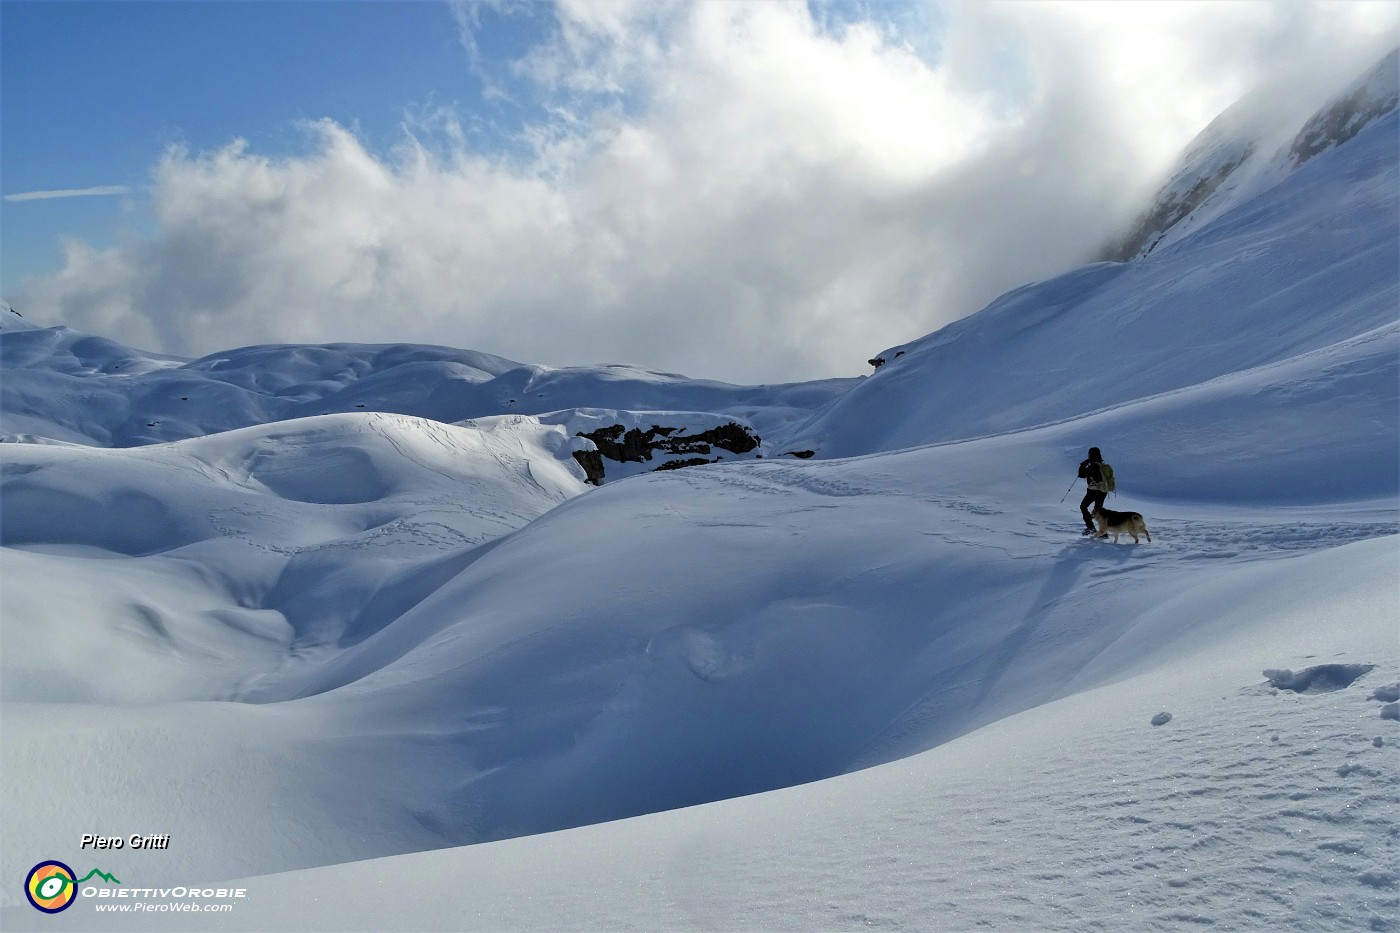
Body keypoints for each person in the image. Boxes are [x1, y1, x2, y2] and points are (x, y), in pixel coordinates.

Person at [1078, 447, 1110, 535]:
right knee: (1098, 510)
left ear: (1090, 455)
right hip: (1103, 491)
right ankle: (1103, 532)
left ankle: (1090, 527)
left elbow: (1081, 474)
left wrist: (1083, 464)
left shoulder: (1093, 465)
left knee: (1083, 506)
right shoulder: (1101, 464)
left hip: (1093, 491)